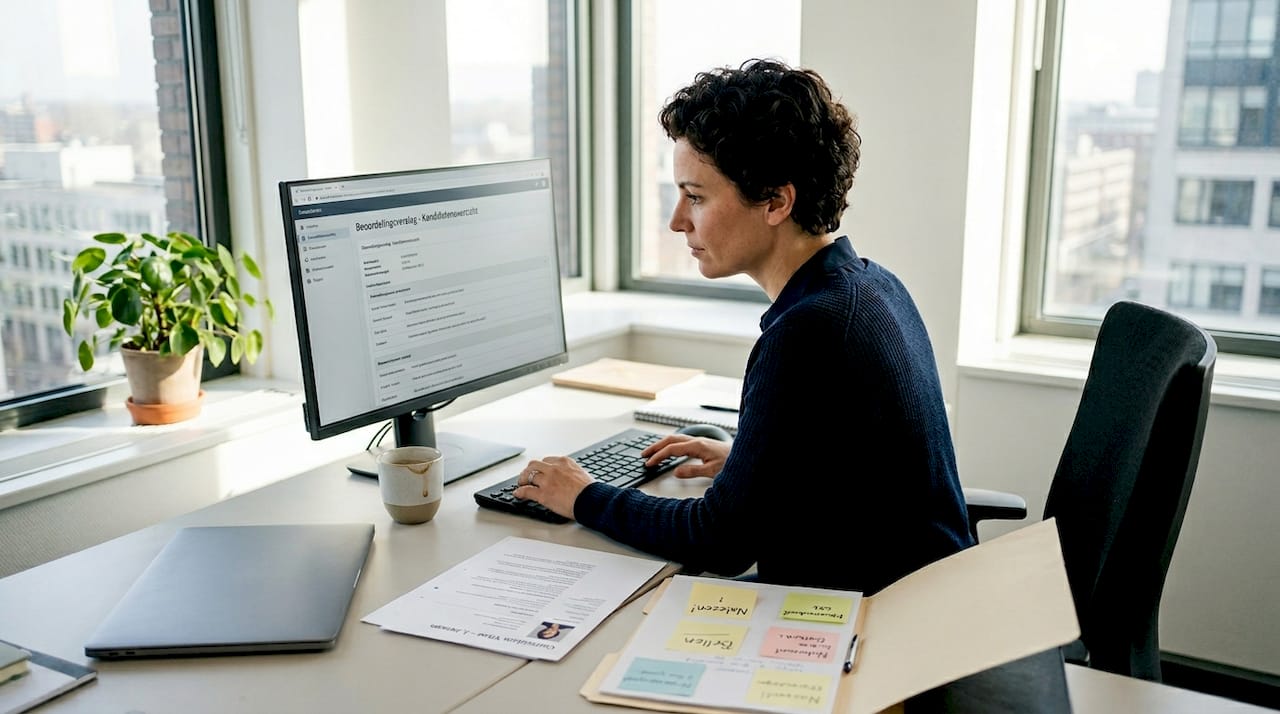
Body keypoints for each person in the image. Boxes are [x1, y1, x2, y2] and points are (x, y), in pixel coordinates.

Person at [513, 58, 974, 595]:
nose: (677, 220)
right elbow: (859, 473)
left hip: (872, 629)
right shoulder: (873, 287)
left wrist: (583, 495)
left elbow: (719, 543)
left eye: (697, 196)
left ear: (776, 200)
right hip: (922, 600)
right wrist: (751, 466)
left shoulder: (809, 332)